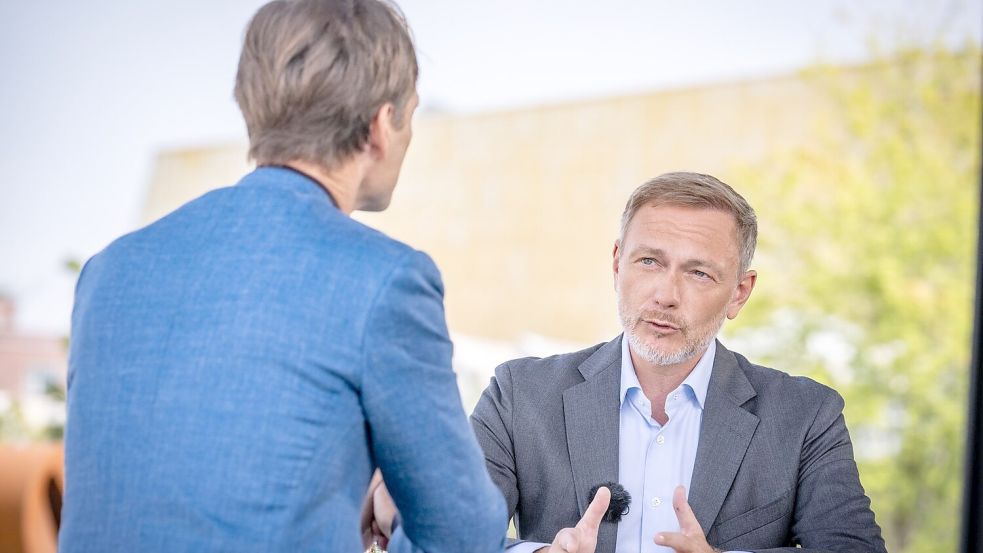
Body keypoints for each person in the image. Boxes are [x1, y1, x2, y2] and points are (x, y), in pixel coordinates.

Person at [59, 1, 505, 551]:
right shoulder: (386, 280)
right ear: (382, 125)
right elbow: (463, 534)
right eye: (412, 113)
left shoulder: (108, 272)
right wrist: (390, 524)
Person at [470, 172, 887, 553]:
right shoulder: (518, 394)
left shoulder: (805, 415)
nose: (665, 295)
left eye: (698, 273)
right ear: (617, 265)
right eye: (649, 261)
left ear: (739, 293)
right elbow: (442, 536)